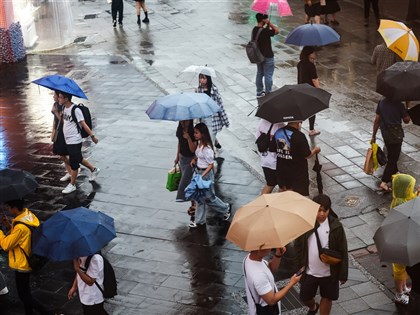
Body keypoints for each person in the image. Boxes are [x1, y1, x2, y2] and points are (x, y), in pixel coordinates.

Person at [294, 194, 348, 315]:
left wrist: (343, 273)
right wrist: (298, 265)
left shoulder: (336, 226)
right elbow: (298, 246)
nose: (322, 214)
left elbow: (343, 249)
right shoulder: (306, 224)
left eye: (325, 210)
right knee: (305, 297)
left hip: (329, 273)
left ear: (329, 210)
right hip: (309, 271)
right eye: (319, 210)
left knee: (327, 297)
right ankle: (313, 307)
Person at [0, 199, 50, 315]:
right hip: (29, 258)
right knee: (26, 292)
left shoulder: (20, 227)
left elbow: (6, 245)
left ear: (15, 208)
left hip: (22, 264)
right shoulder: (28, 216)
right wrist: (8, 225)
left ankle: (48, 312)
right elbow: (20, 237)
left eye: (8, 208)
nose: (7, 210)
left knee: (23, 295)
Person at [189, 123, 231, 228]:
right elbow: (199, 156)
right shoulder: (199, 144)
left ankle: (225, 208)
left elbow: (211, 164)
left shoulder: (207, 149)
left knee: (209, 198)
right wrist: (194, 160)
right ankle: (199, 221)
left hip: (205, 175)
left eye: (196, 132)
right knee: (200, 198)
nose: (195, 134)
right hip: (199, 172)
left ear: (202, 134)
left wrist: (202, 175)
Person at [59, 92, 100, 194]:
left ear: (66, 98)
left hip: (75, 140)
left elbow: (83, 124)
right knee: (78, 158)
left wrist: (92, 136)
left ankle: (72, 184)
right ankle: (94, 169)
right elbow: (67, 123)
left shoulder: (75, 110)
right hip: (68, 139)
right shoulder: (64, 108)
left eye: (60, 97)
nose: (58, 99)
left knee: (74, 162)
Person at [243, 246, 302, 315]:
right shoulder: (258, 276)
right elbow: (271, 300)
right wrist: (291, 283)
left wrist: (278, 255)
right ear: (259, 250)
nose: (271, 248)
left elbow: (270, 268)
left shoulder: (248, 258)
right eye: (268, 246)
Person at [390, 174, 420, 305]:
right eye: (411, 188)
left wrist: (417, 194)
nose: (412, 190)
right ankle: (399, 293)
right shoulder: (400, 205)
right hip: (400, 242)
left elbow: (412, 201)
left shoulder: (402, 199)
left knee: (402, 269)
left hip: (402, 240)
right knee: (399, 270)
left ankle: (403, 288)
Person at [371, 97, 411, 192]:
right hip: (396, 135)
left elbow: (377, 120)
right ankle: (384, 182)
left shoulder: (381, 102)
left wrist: (373, 135)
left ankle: (395, 171)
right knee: (394, 158)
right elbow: (407, 120)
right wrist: (407, 107)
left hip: (385, 133)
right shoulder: (399, 105)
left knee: (391, 153)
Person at [274, 121, 321, 196]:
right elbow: (307, 155)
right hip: (297, 173)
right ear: (298, 121)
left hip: (281, 170)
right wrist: (315, 150)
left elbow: (273, 149)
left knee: (283, 194)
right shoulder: (299, 136)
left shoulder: (278, 132)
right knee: (298, 197)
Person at [196, 73, 229, 150]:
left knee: (209, 141)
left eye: (204, 78)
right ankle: (214, 144)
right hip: (203, 118)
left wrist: (225, 120)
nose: (202, 80)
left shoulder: (214, 90)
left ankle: (210, 155)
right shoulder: (198, 90)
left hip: (213, 119)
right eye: (200, 78)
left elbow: (220, 105)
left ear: (208, 79)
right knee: (205, 137)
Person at [175, 120, 197, 221]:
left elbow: (193, 150)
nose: (183, 122)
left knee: (183, 183)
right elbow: (179, 143)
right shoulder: (180, 129)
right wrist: (177, 157)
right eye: (182, 120)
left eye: (186, 120)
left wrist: (188, 138)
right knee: (188, 183)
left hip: (190, 160)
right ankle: (194, 203)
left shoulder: (193, 132)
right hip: (182, 158)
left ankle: (183, 198)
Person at [255, 119, 285, 194]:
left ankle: (261, 203)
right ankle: (279, 205)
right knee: (283, 187)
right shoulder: (280, 125)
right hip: (277, 162)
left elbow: (257, 137)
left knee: (270, 184)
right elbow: (284, 146)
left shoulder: (262, 122)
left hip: (265, 159)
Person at [252, 13, 279, 98]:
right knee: (268, 75)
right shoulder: (265, 31)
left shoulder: (254, 30)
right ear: (263, 20)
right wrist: (269, 24)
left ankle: (259, 92)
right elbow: (277, 31)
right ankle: (268, 93)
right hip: (268, 56)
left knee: (259, 73)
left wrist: (267, 26)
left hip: (258, 55)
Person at [297, 46, 321, 136]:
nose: (315, 54)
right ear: (309, 54)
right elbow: (314, 79)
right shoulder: (310, 65)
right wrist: (319, 90)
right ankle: (311, 130)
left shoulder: (300, 64)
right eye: (313, 52)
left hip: (301, 89)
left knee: (302, 109)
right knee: (312, 110)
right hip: (310, 90)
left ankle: (298, 125)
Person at [51, 90, 73, 181]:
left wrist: (56, 112)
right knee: (61, 154)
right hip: (58, 131)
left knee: (63, 155)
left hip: (64, 132)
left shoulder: (64, 106)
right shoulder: (55, 104)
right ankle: (70, 172)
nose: (53, 97)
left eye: (55, 95)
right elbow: (55, 120)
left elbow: (65, 122)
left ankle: (74, 169)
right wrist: (53, 130)